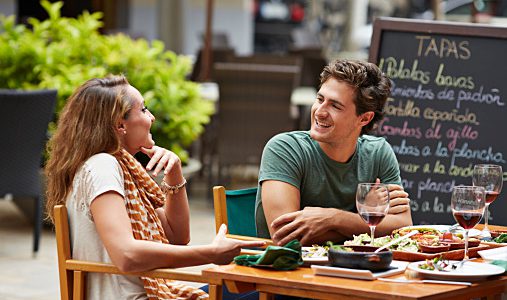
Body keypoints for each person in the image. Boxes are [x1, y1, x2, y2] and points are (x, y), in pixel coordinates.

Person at [45, 75, 264, 300]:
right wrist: (211, 253)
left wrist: (174, 172)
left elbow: (177, 235)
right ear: (120, 124)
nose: (152, 117)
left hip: (143, 293)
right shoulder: (103, 166)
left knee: (254, 290)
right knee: (267, 293)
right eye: (144, 110)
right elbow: (126, 255)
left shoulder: (124, 169)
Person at [255, 59, 413, 246]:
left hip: (358, 270)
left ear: (364, 118)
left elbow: (403, 227)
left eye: (335, 106)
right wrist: (366, 217)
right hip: (290, 270)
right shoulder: (284, 149)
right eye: (320, 99)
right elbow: (287, 235)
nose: (319, 112)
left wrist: (333, 218)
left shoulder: (378, 152)